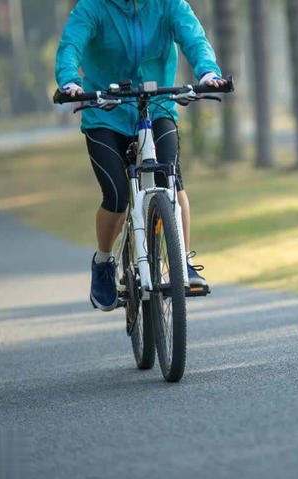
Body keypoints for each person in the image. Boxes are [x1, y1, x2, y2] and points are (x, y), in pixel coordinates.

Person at [55, 0, 227, 311]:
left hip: (157, 106)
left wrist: (207, 73)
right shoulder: (92, 7)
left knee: (171, 180)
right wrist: (70, 81)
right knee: (117, 196)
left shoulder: (170, 4)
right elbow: (71, 44)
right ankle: (105, 261)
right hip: (105, 115)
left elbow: (194, 38)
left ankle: (183, 261)